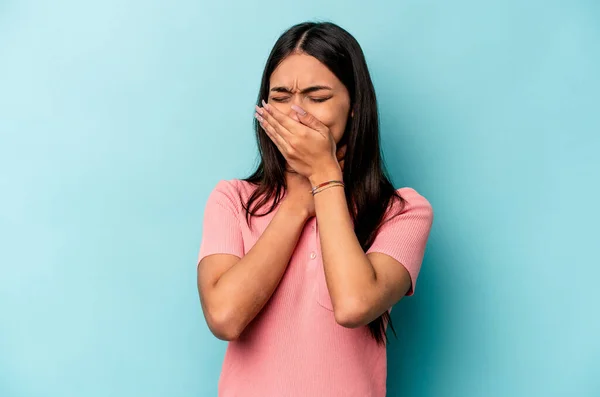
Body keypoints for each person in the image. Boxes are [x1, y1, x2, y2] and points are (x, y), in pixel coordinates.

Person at [196, 21, 434, 397]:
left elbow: (355, 305)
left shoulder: (402, 211)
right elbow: (224, 317)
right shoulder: (233, 200)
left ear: (355, 106)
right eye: (279, 96)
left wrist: (325, 179)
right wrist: (297, 205)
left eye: (317, 97)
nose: (295, 113)